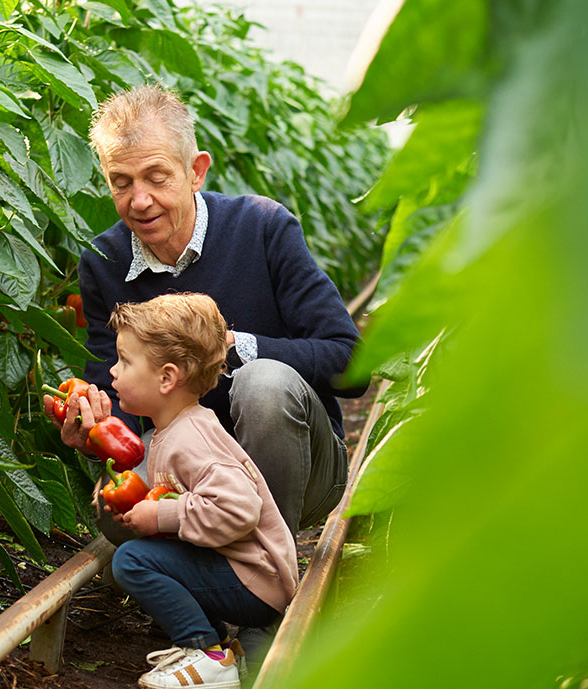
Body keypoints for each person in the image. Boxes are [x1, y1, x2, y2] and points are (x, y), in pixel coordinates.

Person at [57, 84, 363, 542]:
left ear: (196, 171)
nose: (139, 201)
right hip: (187, 474)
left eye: (157, 178)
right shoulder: (104, 261)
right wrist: (95, 423)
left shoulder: (263, 228)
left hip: (299, 468)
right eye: (122, 183)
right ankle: (210, 565)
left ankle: (265, 565)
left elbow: (353, 366)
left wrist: (239, 348)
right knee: (112, 518)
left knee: (265, 383)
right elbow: (111, 382)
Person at [97, 293, 295, 689]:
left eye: (125, 361)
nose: (113, 371)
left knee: (131, 561)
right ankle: (227, 646)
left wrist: (160, 518)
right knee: (148, 553)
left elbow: (239, 508)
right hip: (246, 572)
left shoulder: (191, 439)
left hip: (256, 579)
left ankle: (205, 654)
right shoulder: (177, 429)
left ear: (167, 378)